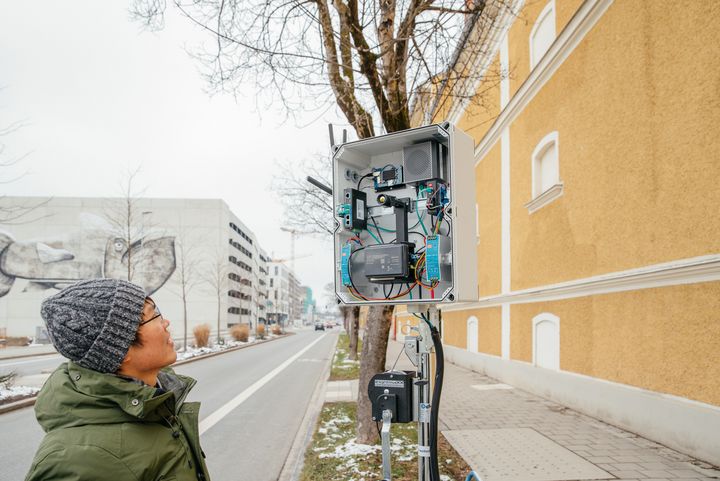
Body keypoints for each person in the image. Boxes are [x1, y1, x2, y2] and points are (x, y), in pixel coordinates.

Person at [25, 278, 211, 481]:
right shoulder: (82, 461)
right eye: (154, 314)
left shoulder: (156, 402)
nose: (165, 323)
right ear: (119, 350)